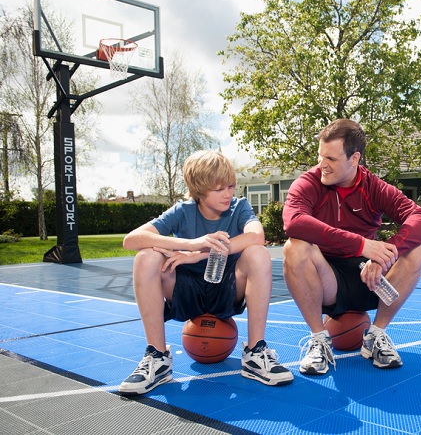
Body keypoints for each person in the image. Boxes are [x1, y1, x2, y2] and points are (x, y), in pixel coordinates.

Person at [118, 150, 293, 395]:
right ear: (199, 189)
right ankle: (157, 357)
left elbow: (256, 236)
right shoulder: (182, 211)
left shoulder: (238, 207)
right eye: (218, 188)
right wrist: (191, 244)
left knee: (258, 253)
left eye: (230, 186)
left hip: (226, 290)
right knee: (146, 258)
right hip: (186, 291)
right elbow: (131, 240)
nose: (227, 193)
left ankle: (255, 352)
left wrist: (202, 253)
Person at [282, 119, 421, 375]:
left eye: (330, 158)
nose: (322, 164)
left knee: (418, 248)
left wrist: (386, 253)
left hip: (369, 279)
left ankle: (376, 335)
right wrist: (362, 244)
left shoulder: (372, 186)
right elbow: (293, 221)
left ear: (354, 159)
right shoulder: (309, 182)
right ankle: (318, 339)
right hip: (326, 280)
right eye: (320, 156)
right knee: (294, 247)